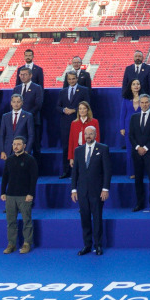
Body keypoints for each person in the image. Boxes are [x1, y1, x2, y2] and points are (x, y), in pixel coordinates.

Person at [71, 126, 111, 255]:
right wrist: (73, 190)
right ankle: (87, 245)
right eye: (86, 134)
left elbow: (107, 171)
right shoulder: (78, 150)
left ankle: (98, 245)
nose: (88, 136)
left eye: (91, 134)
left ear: (95, 135)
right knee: (85, 219)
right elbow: (75, 172)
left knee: (97, 218)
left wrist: (105, 189)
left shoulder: (103, 149)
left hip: (97, 191)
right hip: (82, 191)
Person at [0, 136, 38, 254]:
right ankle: (11, 244)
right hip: (10, 195)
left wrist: (31, 194)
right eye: (14, 144)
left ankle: (27, 243)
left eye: (18, 144)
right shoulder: (9, 160)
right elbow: (5, 177)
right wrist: (3, 192)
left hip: (24, 196)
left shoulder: (30, 160)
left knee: (27, 220)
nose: (15, 146)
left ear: (24, 146)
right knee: (10, 221)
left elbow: (34, 178)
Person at [128, 93, 150, 212]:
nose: (144, 104)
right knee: (138, 180)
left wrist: (146, 148)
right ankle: (139, 203)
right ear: (139, 103)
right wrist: (138, 147)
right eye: (142, 102)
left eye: (146, 102)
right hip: (137, 153)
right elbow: (130, 135)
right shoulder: (134, 117)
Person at [58, 72, 92, 179]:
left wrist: (74, 110)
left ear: (77, 79)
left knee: (80, 146)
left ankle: (81, 171)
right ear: (67, 80)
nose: (71, 81)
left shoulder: (83, 90)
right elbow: (57, 106)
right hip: (66, 124)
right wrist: (64, 110)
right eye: (69, 79)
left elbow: (87, 105)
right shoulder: (63, 91)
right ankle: (66, 171)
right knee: (66, 147)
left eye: (73, 79)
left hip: (80, 123)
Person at [11, 68, 43, 157]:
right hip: (18, 123)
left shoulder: (37, 87)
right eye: (21, 74)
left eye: (25, 74)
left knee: (35, 147)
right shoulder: (16, 88)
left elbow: (38, 105)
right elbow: (13, 104)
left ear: (30, 75)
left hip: (33, 121)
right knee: (19, 147)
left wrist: (25, 116)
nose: (22, 76)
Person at [0, 94, 31, 166]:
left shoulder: (28, 116)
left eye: (18, 102)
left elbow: (31, 135)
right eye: (14, 102)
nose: (16, 104)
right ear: (11, 103)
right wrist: (2, 151)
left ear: (22, 102)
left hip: (22, 150)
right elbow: (2, 135)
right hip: (8, 150)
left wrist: (27, 150)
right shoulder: (5, 116)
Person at [67, 101, 100, 170]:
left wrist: (96, 154)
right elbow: (71, 141)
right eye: (80, 109)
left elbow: (97, 139)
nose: (82, 111)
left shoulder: (94, 122)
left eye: (84, 108)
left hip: (90, 150)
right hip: (78, 150)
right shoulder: (74, 123)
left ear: (87, 110)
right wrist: (71, 158)